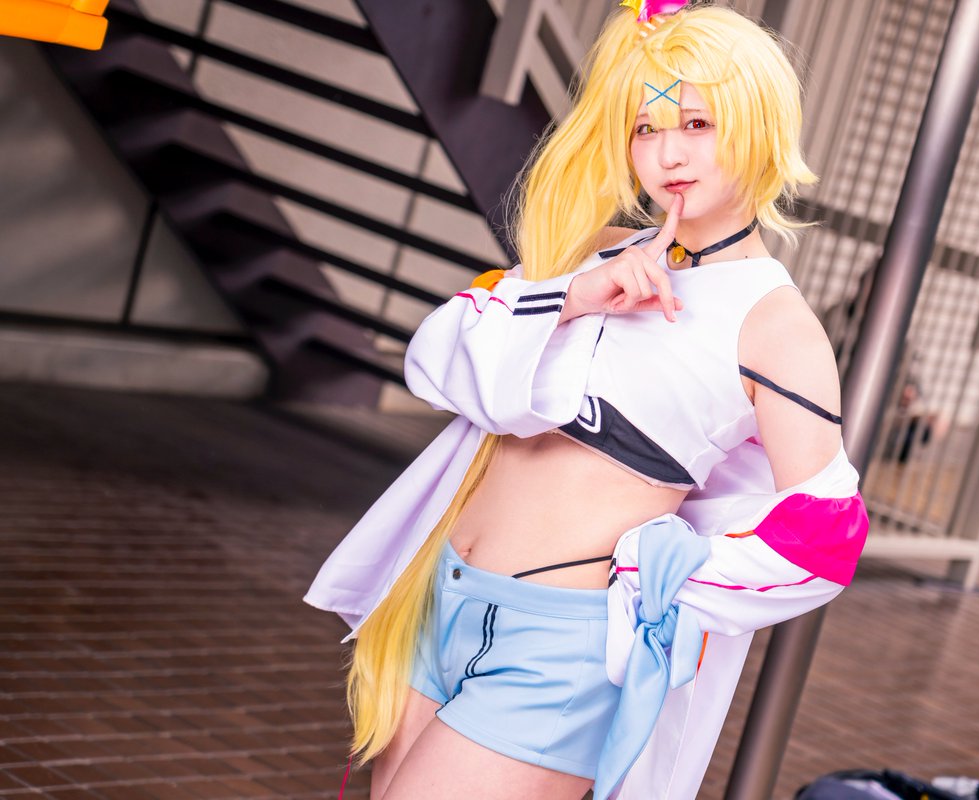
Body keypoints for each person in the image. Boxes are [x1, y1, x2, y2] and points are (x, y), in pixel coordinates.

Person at [304, 2, 870, 798]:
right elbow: (438, 361)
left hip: (561, 649)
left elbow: (825, 535)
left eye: (698, 123)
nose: (668, 153)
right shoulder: (599, 253)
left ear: (759, 124)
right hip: (441, 594)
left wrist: (660, 579)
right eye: (645, 128)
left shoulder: (774, 323)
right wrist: (573, 297)